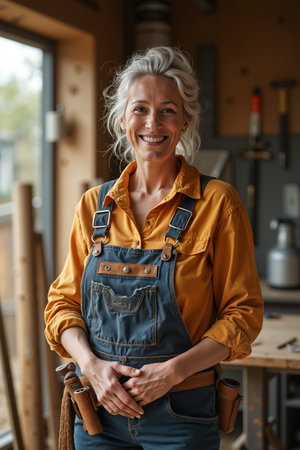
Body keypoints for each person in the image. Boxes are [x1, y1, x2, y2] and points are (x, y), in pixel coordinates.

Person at [45, 46, 263, 449]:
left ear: (185, 122)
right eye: (140, 109)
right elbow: (62, 305)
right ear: (123, 119)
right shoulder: (95, 206)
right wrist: (91, 367)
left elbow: (243, 315)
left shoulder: (218, 203)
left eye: (167, 110)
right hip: (99, 413)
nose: (152, 123)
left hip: (182, 413)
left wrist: (172, 372)